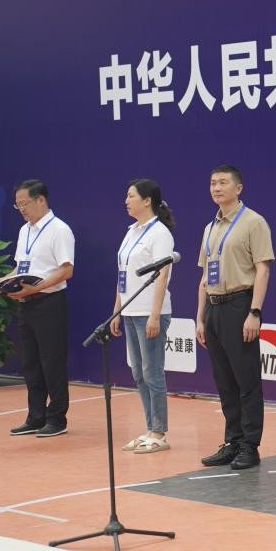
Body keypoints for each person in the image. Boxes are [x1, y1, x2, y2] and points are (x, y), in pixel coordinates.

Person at [196, 165, 274, 470]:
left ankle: (250, 446)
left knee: (246, 380)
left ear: (238, 188)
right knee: (224, 380)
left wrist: (254, 312)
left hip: (239, 305)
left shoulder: (254, 222)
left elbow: (263, 269)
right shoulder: (210, 227)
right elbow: (205, 276)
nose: (216, 188)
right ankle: (232, 441)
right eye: (212, 183)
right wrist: (200, 317)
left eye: (223, 182)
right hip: (213, 308)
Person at [109, 179, 176, 454]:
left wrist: (155, 315)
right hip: (129, 311)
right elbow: (122, 274)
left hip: (149, 312)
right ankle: (149, 429)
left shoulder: (159, 233)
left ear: (147, 200)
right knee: (138, 372)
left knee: (152, 372)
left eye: (131, 196)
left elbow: (162, 275)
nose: (126, 201)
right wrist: (117, 310)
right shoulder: (131, 232)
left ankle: (159, 432)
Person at [6, 179, 76, 438]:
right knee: (31, 363)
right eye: (18, 205)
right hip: (26, 304)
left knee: (52, 363)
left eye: (25, 203)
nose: (22, 209)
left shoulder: (59, 230)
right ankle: (35, 416)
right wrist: (3, 282)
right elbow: (20, 267)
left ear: (41, 200)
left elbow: (66, 270)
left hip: (49, 303)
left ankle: (57, 418)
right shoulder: (24, 231)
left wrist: (34, 288)